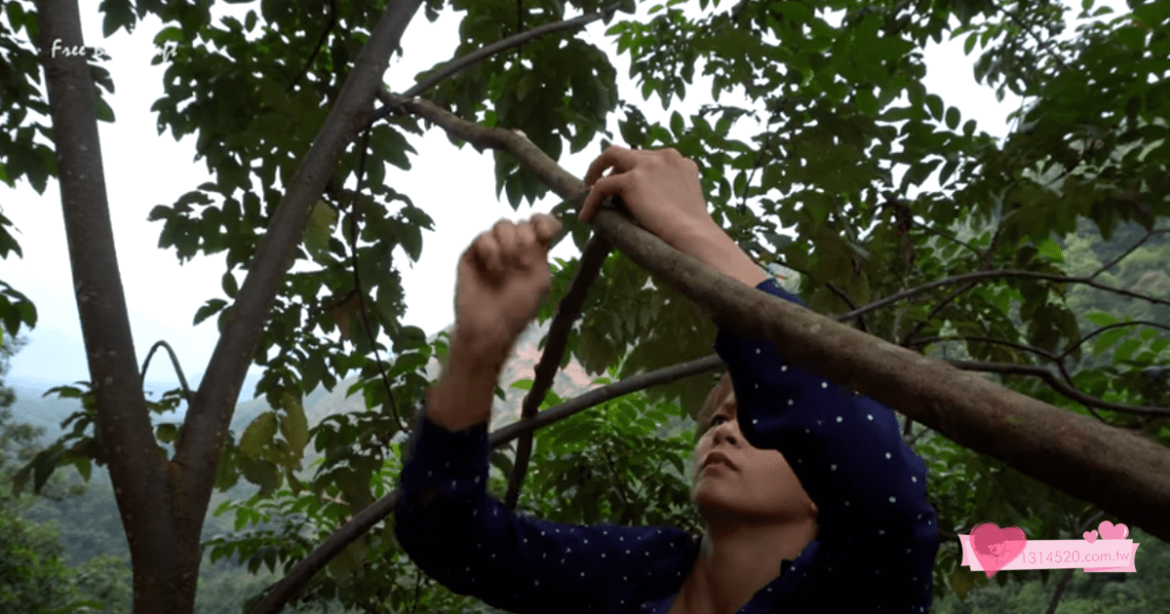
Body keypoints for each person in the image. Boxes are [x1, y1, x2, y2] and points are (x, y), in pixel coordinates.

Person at [394, 146, 939, 613]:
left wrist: (692, 228)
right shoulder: (638, 571)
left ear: (824, 489)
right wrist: (475, 352)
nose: (724, 432)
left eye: (755, 424)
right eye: (717, 420)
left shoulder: (856, 588)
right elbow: (449, 537)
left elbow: (883, 488)